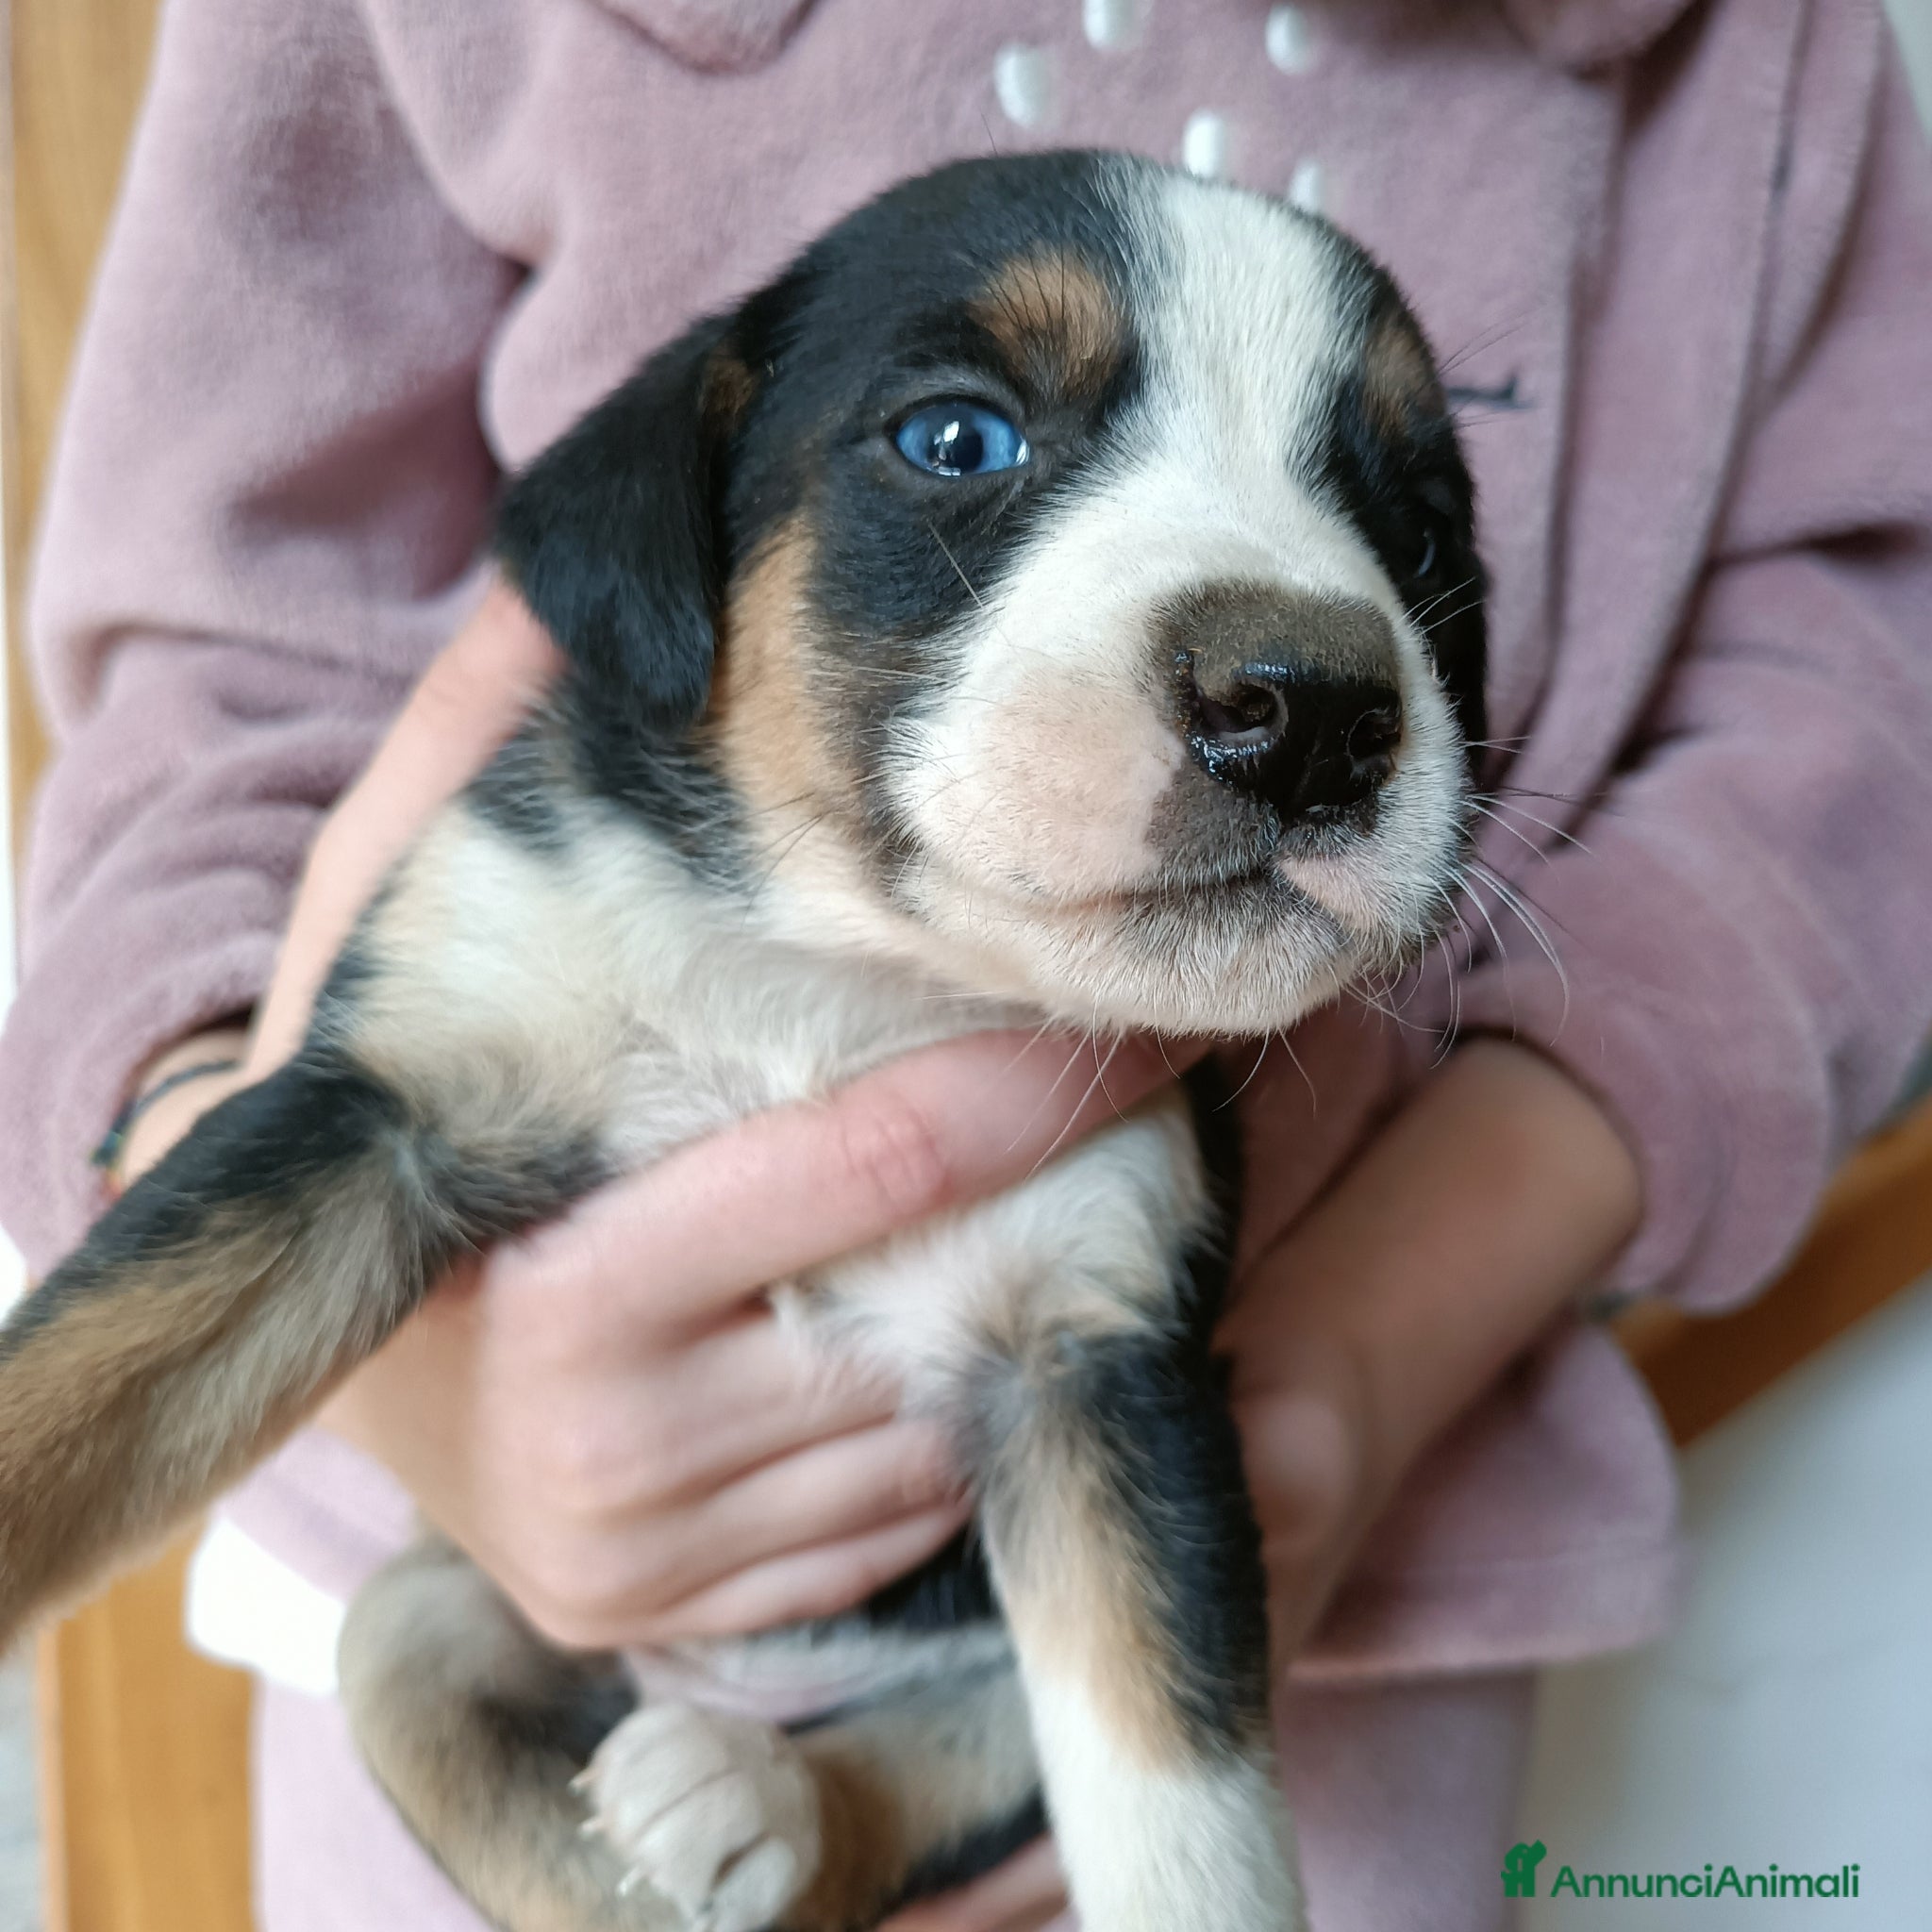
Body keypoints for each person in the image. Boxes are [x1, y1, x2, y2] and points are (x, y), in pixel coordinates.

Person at [4, 3, 1930, 1928]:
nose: (1312, 652)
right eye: (963, 439)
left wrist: (1372, 1344)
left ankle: (832, 1817)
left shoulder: (1756, 59)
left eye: (1398, 510)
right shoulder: (542, 873)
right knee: (414, 1664)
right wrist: (335, 1309)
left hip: (1343, 1644)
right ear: (680, 540)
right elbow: (215, 722)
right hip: (460, 1595)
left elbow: (1862, 693)